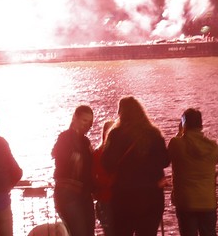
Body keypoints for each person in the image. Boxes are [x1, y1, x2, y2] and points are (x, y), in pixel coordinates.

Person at [99, 97, 169, 236]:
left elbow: (107, 163)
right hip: (151, 195)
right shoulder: (154, 133)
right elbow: (165, 161)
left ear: (121, 113)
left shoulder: (115, 134)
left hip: (124, 196)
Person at [165, 109, 218, 236]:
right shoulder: (212, 147)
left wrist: (180, 133)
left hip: (186, 202)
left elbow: (167, 159)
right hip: (207, 201)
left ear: (184, 124)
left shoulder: (176, 144)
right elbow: (216, 160)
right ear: (201, 125)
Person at [50, 106, 95, 236]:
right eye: (84, 120)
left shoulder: (85, 141)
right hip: (69, 193)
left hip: (84, 193)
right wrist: (75, 157)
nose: (87, 125)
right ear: (75, 118)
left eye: (90, 122)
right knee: (79, 232)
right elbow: (57, 154)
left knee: (88, 232)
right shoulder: (64, 137)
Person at [92, 120, 117, 236]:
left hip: (115, 199)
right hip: (106, 200)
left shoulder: (100, 153)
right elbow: (97, 178)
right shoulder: (98, 154)